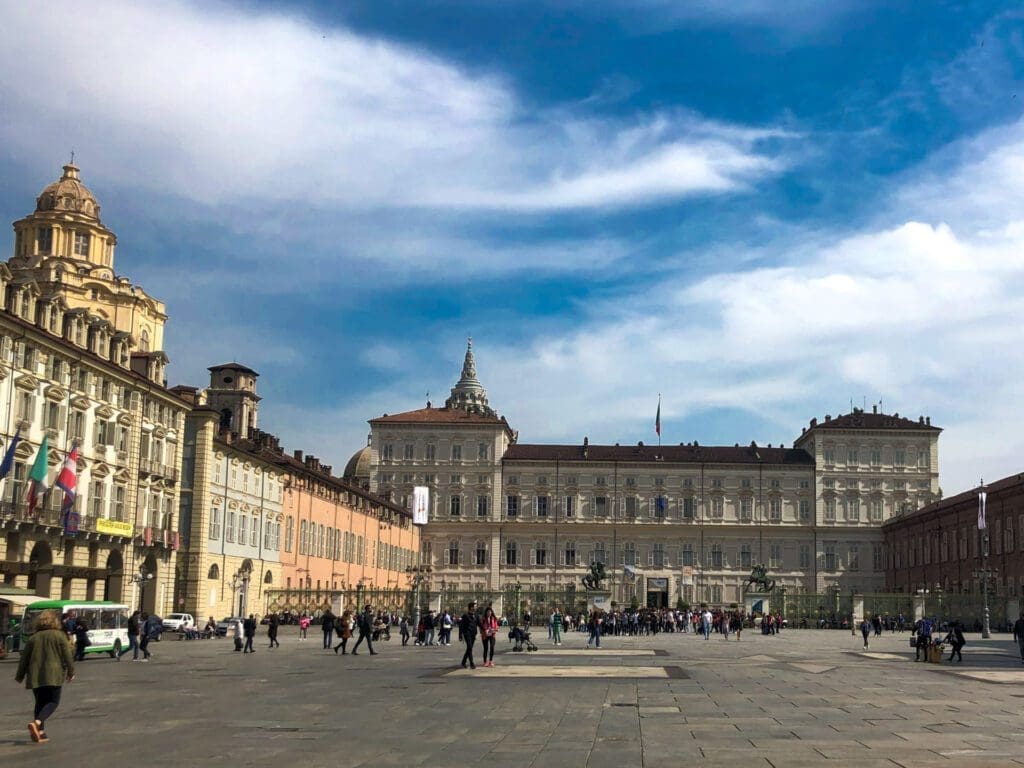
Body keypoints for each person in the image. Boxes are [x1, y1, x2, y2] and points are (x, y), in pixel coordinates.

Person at [16, 609, 75, 744]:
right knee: (53, 701)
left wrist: (20, 675)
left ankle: (40, 732)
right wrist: (71, 671)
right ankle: (37, 722)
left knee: (40, 702)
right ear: (55, 621)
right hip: (54, 674)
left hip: (35, 674)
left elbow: (24, 658)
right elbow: (68, 655)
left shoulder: (33, 637)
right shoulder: (59, 636)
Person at [459, 601, 479, 669]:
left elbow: (480, 624)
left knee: (469, 648)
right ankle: (471, 663)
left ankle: (463, 662)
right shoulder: (465, 615)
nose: (476, 608)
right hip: (467, 633)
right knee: (470, 647)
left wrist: (485, 629)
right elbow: (461, 626)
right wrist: (460, 635)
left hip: (473, 634)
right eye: (475, 606)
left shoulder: (476, 615)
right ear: (471, 607)